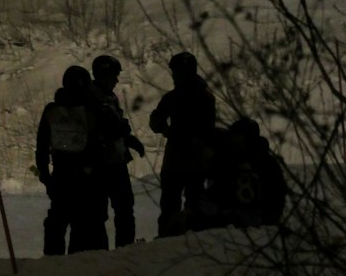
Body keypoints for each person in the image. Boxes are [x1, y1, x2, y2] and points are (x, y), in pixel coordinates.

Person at [35, 65, 105, 255]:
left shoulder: (52, 110)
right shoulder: (92, 110)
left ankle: (53, 262)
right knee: (80, 226)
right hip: (86, 179)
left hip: (61, 176)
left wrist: (45, 175)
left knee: (56, 223)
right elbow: (103, 142)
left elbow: (42, 145)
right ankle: (74, 266)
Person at [149, 51, 216, 236]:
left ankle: (171, 238)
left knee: (175, 206)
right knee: (190, 205)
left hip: (180, 160)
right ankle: (189, 239)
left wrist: (168, 131)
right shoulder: (203, 96)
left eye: (176, 72)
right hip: (191, 160)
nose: (173, 76)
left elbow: (156, 121)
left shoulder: (178, 96)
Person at [89, 55, 144, 248]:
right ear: (103, 75)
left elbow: (116, 125)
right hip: (99, 164)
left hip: (116, 161)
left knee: (124, 208)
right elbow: (103, 128)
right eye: (113, 76)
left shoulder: (109, 97)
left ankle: (124, 249)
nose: (116, 80)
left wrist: (128, 139)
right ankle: (101, 252)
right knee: (99, 214)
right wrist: (121, 131)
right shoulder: (91, 97)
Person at [198, 117, 287, 230]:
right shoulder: (230, 159)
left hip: (256, 219)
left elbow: (276, 195)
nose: (232, 139)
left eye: (236, 135)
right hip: (237, 218)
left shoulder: (265, 163)